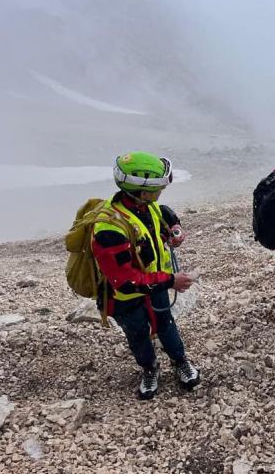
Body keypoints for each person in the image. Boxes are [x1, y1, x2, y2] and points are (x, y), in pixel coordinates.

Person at [91, 152, 200, 399]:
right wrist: (172, 280)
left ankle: (180, 359)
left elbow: (163, 215)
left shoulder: (144, 206)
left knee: (165, 323)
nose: (162, 191)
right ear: (142, 192)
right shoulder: (109, 230)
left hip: (154, 284)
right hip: (124, 297)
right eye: (158, 187)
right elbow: (126, 281)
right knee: (138, 332)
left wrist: (174, 228)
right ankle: (149, 368)